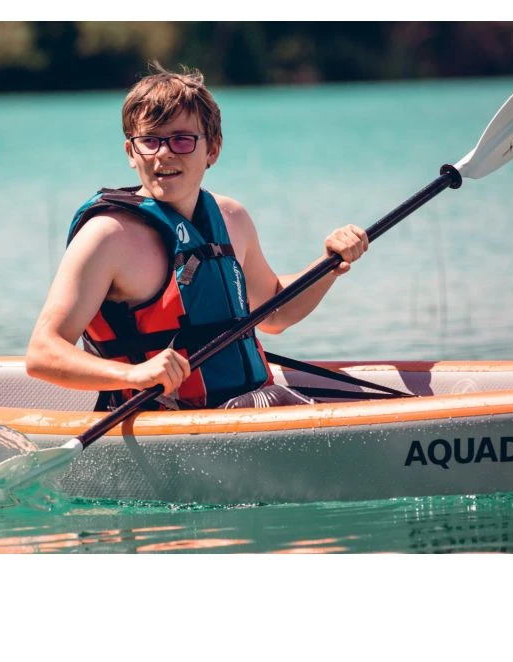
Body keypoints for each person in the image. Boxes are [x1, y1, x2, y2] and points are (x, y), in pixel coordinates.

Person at [26, 63, 368, 411]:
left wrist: (329, 265)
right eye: (150, 141)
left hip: (245, 406)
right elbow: (42, 353)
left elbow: (274, 314)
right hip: (161, 421)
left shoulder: (231, 217)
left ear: (212, 150)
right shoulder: (107, 236)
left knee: (283, 400)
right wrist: (134, 374)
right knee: (284, 403)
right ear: (131, 152)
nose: (164, 153)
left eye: (181, 139)